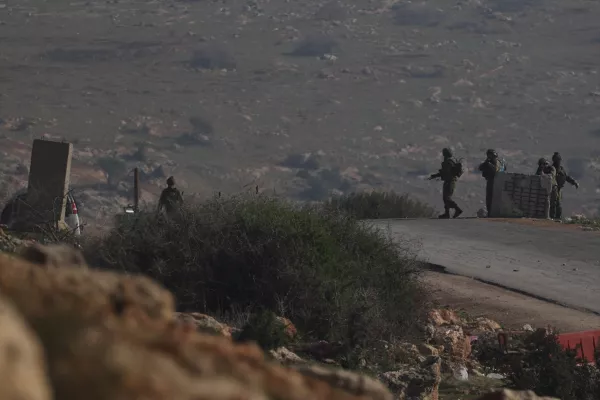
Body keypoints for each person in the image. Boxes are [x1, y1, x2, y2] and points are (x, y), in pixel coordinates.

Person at [428, 148, 463, 219]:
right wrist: (436, 175)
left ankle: (457, 209)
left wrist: (435, 175)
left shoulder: (447, 162)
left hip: (450, 182)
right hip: (449, 181)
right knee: (445, 198)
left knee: (446, 198)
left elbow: (445, 172)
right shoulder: (450, 162)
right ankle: (447, 213)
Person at [550, 152, 579, 220]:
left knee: (558, 204)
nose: (559, 161)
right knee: (554, 204)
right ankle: (553, 217)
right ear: (554, 160)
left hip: (559, 189)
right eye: (557, 159)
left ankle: (557, 218)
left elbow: (566, 177)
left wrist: (574, 182)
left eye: (559, 159)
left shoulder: (561, 169)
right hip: (554, 188)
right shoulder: (552, 169)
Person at [478, 149, 504, 216]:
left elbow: (480, 167)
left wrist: (487, 162)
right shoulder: (500, 162)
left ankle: (490, 213)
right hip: (500, 182)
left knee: (489, 198)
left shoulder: (489, 163)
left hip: (492, 182)